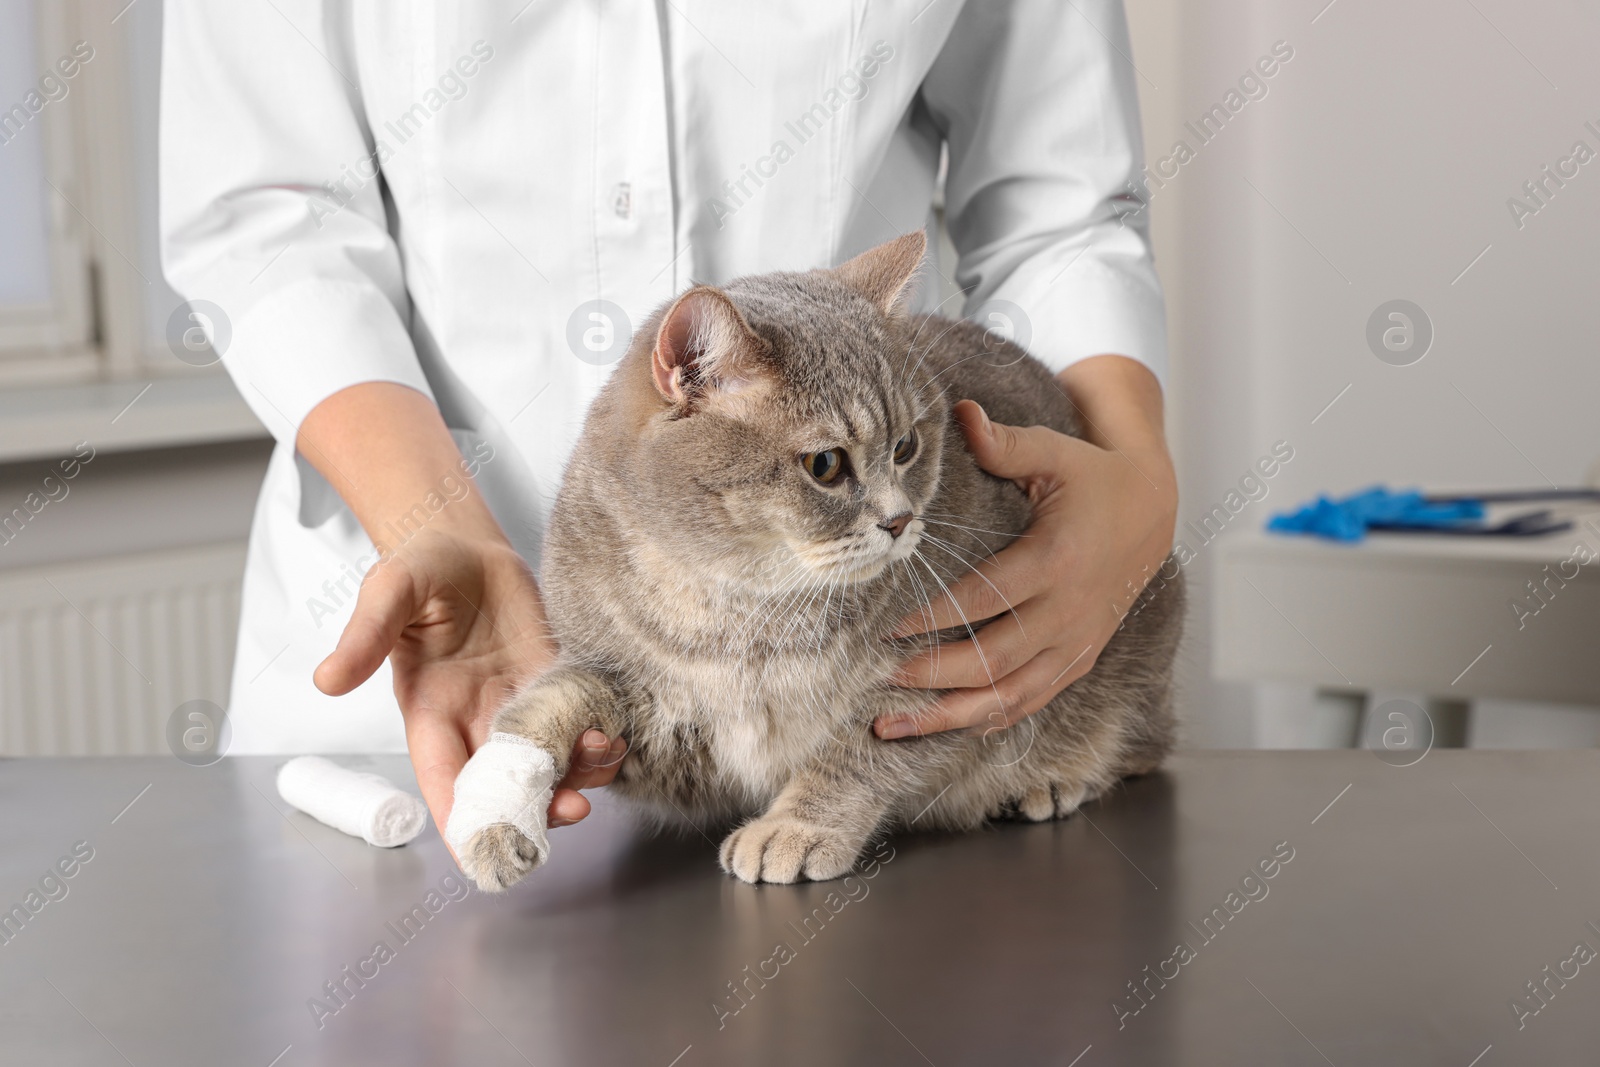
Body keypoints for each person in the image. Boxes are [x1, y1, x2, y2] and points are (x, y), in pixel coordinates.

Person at [160, 0, 1176, 844]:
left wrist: (1133, 481)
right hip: (420, 650)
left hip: (873, 684)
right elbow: (265, 219)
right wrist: (427, 516)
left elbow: (1062, 203)